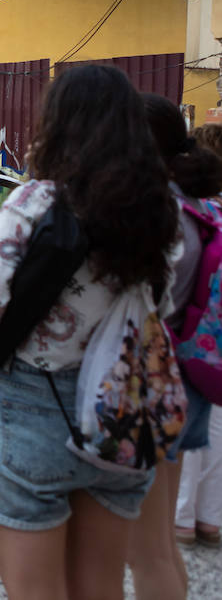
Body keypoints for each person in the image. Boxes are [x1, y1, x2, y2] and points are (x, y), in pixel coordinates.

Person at [0, 65, 180, 600]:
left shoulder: (37, 201)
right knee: (100, 587)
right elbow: (160, 305)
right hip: (122, 404)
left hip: (32, 402)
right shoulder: (159, 210)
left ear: (59, 122)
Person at [126, 94, 222, 599]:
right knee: (159, 545)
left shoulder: (161, 213)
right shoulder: (201, 206)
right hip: (192, 368)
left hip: (159, 377)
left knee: (149, 550)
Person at [177, 122, 222, 547]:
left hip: (194, 337)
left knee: (190, 429)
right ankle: (208, 519)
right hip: (216, 338)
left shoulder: (198, 212)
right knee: (216, 432)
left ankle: (184, 519)